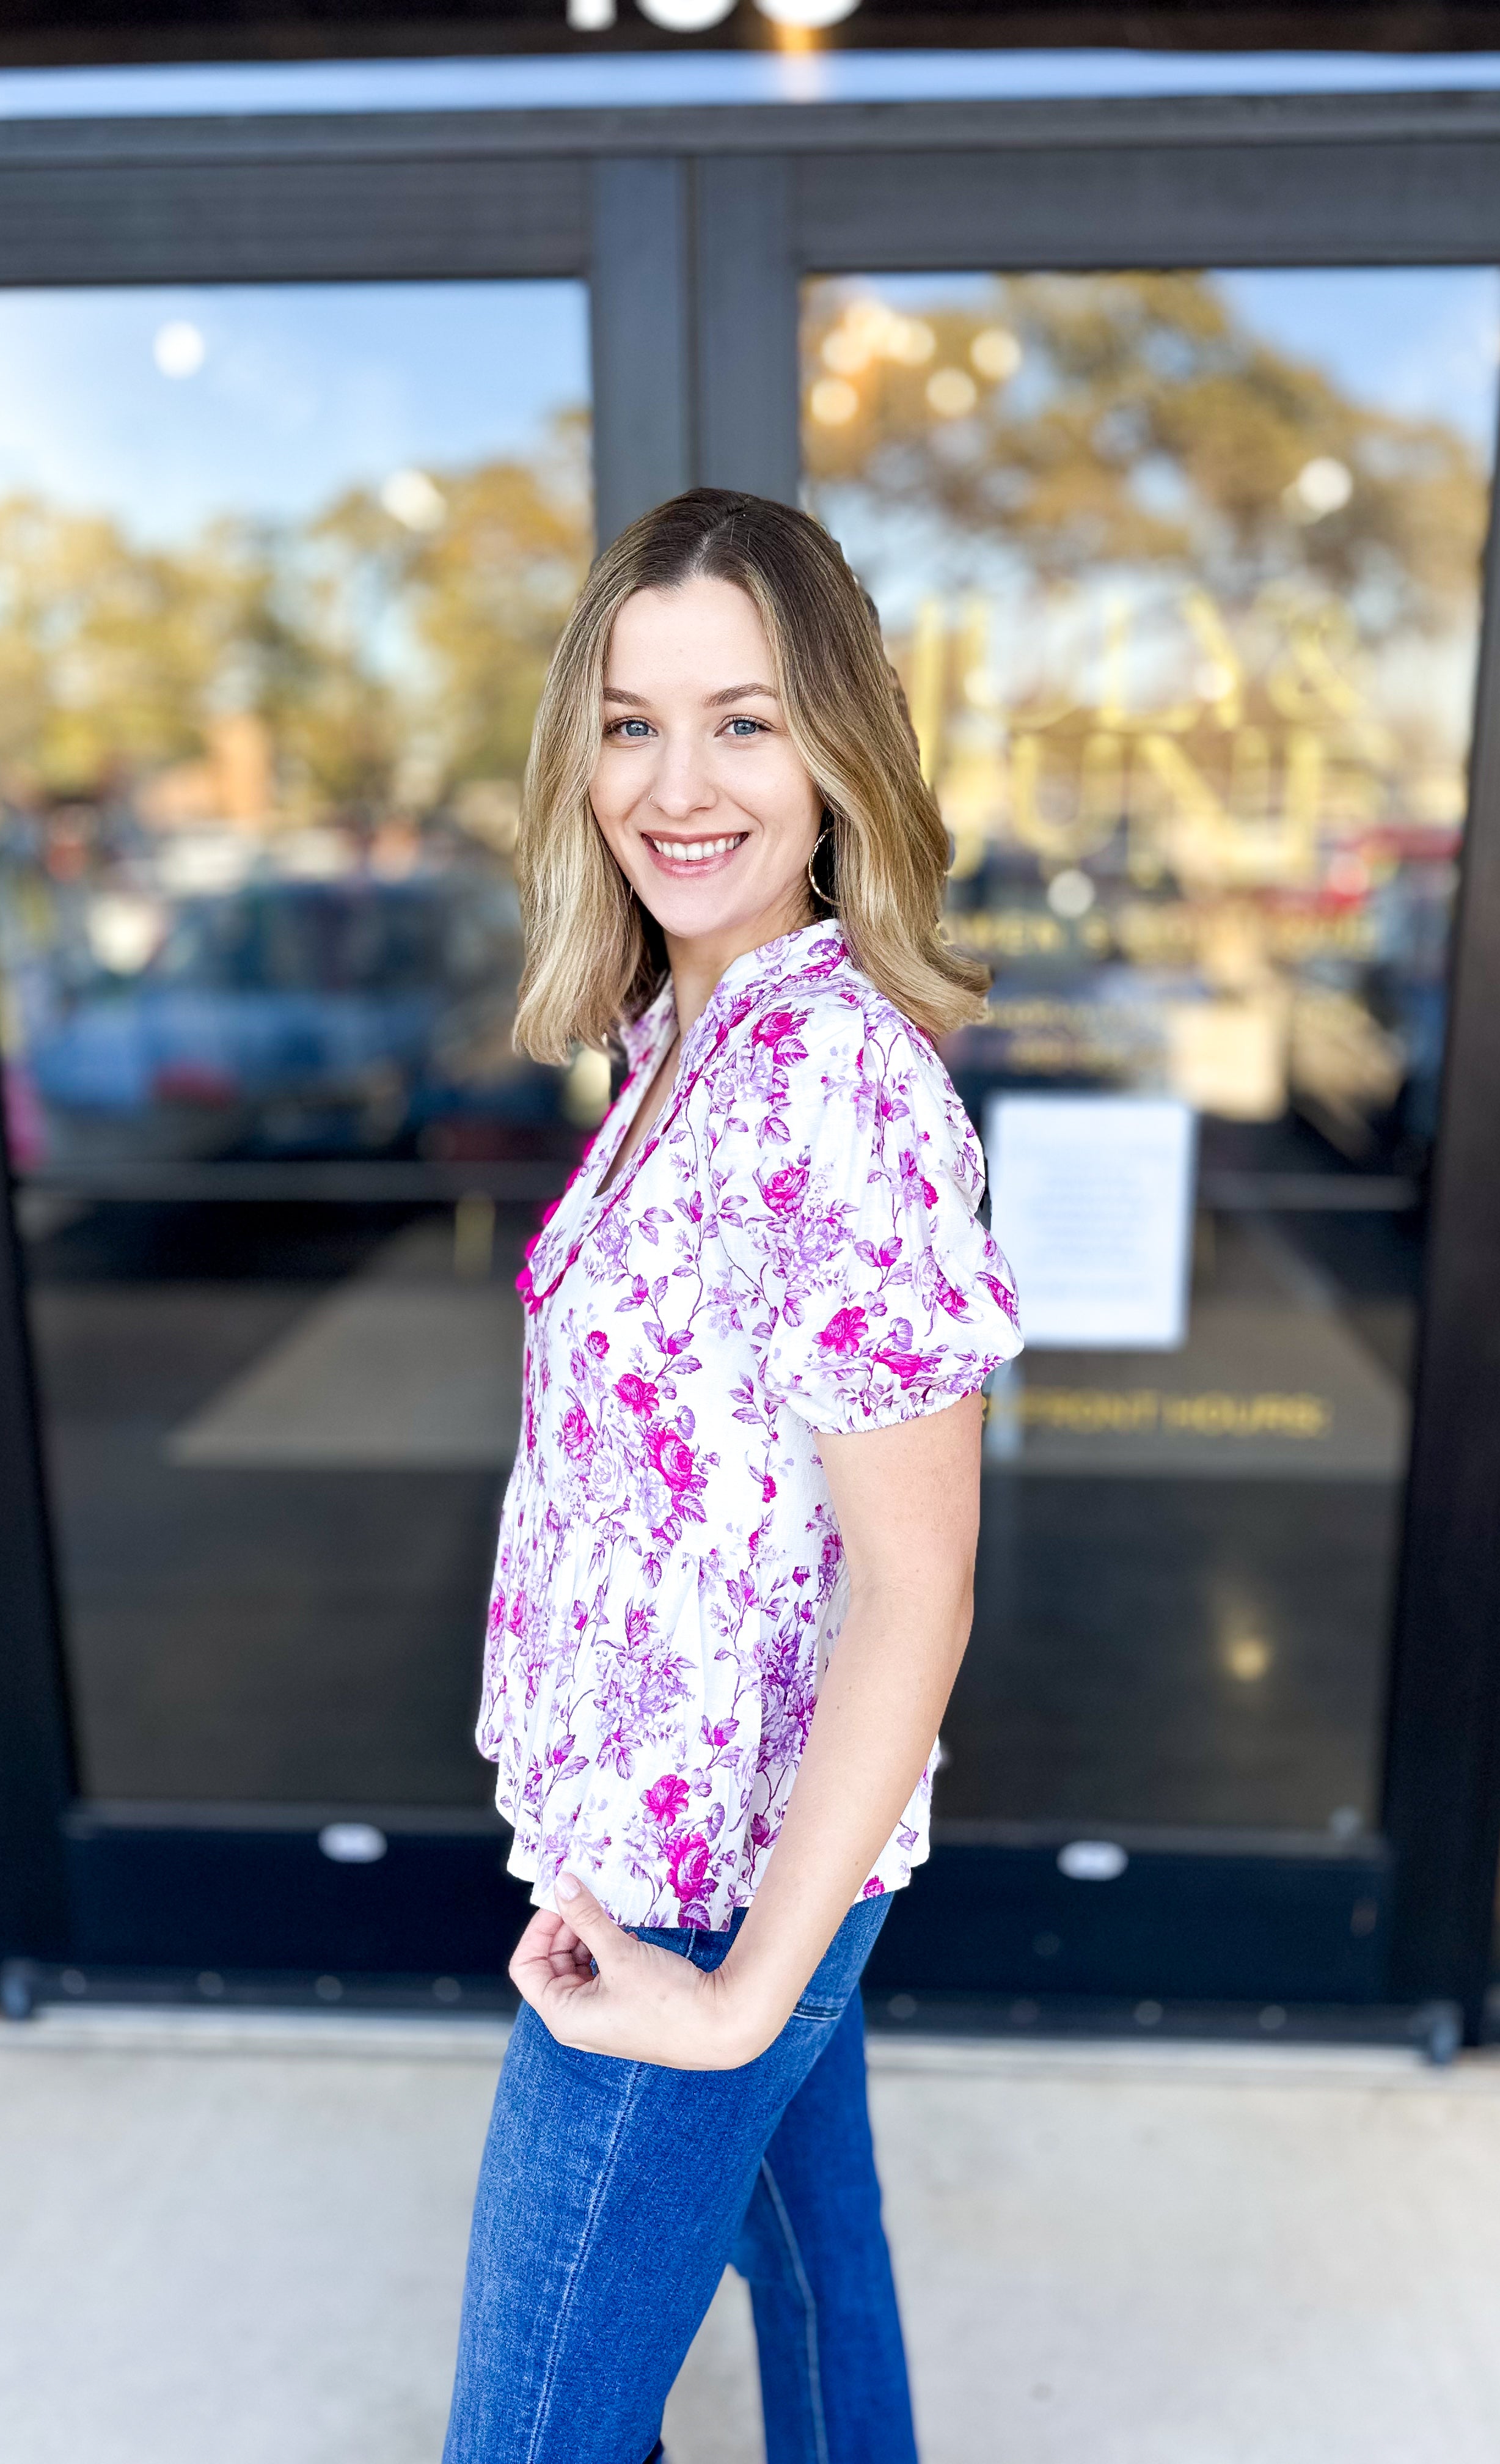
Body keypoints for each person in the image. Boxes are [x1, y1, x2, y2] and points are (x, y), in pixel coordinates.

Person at [442, 489, 1023, 2464]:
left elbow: (916, 1586)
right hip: (670, 1828)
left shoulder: (843, 1090)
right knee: (818, 2266)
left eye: (744, 721)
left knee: (526, 2438)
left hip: (708, 1888)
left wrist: (733, 1998)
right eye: (630, 723)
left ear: (838, 745)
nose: (675, 783)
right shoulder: (671, 1031)